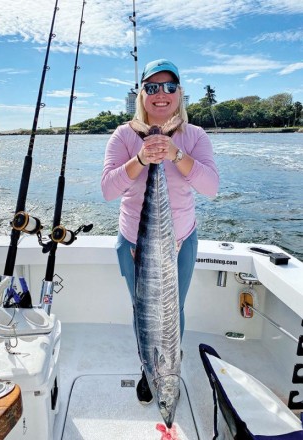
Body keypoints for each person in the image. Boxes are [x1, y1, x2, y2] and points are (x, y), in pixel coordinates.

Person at [101, 59, 219, 405]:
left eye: (169, 87)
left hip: (180, 240)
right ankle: (148, 367)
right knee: (142, 306)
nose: (161, 94)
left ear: (180, 93)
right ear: (142, 95)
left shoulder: (194, 136)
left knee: (172, 307)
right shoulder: (124, 135)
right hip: (134, 242)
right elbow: (108, 190)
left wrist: (174, 153)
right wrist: (140, 160)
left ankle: (170, 364)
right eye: (152, 87)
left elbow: (210, 187)